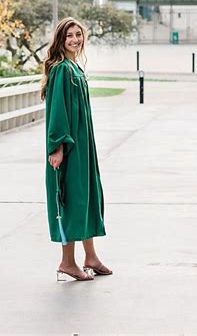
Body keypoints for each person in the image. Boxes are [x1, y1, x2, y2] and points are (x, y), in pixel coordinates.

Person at [42, 17, 113, 282]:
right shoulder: (62, 70)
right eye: (69, 36)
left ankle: (91, 257)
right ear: (61, 39)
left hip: (82, 146)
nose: (75, 40)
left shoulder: (75, 67)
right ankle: (67, 262)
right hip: (68, 148)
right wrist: (57, 147)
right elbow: (58, 112)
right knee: (70, 199)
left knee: (85, 198)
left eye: (78, 35)